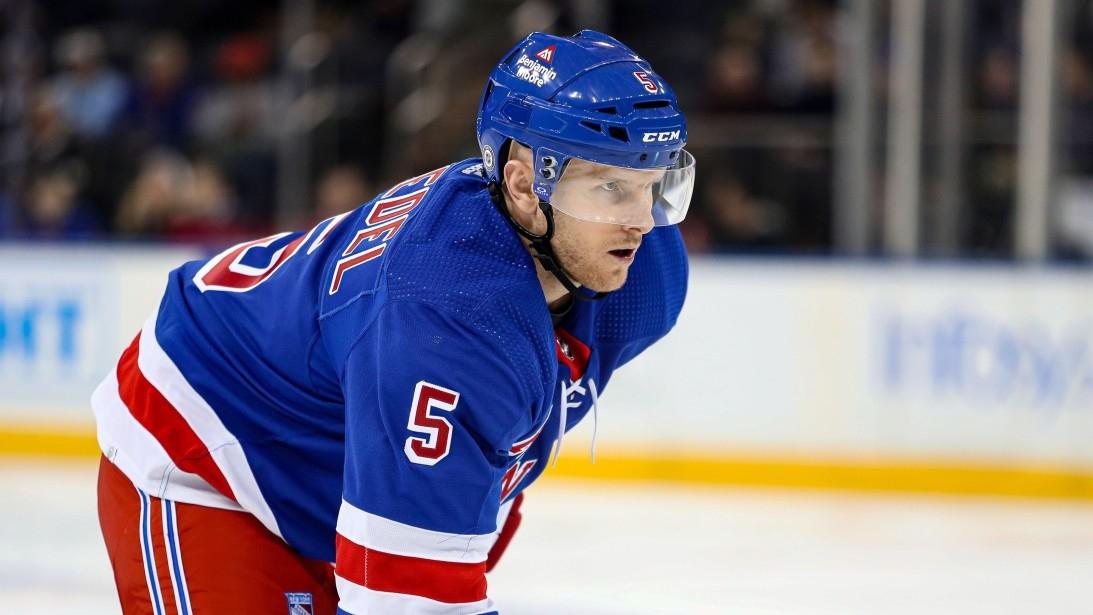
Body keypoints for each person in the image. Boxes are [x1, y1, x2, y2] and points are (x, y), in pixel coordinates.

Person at [93, 30, 694, 615]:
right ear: (521, 186)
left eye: (653, 184)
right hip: (206, 439)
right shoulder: (446, 318)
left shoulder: (646, 274)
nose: (640, 221)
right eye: (610, 186)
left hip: (336, 452)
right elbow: (406, 599)